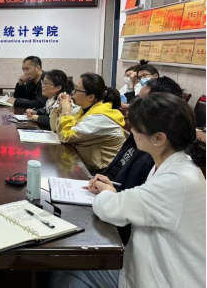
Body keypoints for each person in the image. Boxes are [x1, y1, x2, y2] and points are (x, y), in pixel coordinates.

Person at [52, 93, 206, 288]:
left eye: (136, 127)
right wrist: (111, 190)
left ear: (159, 138)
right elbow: (141, 204)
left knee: (68, 272)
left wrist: (107, 192)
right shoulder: (173, 164)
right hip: (150, 262)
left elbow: (110, 209)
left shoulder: (177, 180)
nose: (131, 131)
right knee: (67, 268)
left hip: (166, 278)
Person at [102, 76, 185, 245]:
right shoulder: (161, 155)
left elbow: (116, 209)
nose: (133, 107)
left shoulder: (173, 176)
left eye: (142, 102)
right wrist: (108, 185)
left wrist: (108, 192)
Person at [50, 73, 125, 174]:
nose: (72, 93)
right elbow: (55, 129)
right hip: (86, 165)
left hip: (103, 172)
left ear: (91, 97)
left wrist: (66, 111)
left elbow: (66, 137)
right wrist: (59, 109)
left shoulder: (101, 118)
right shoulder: (83, 110)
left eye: (76, 90)